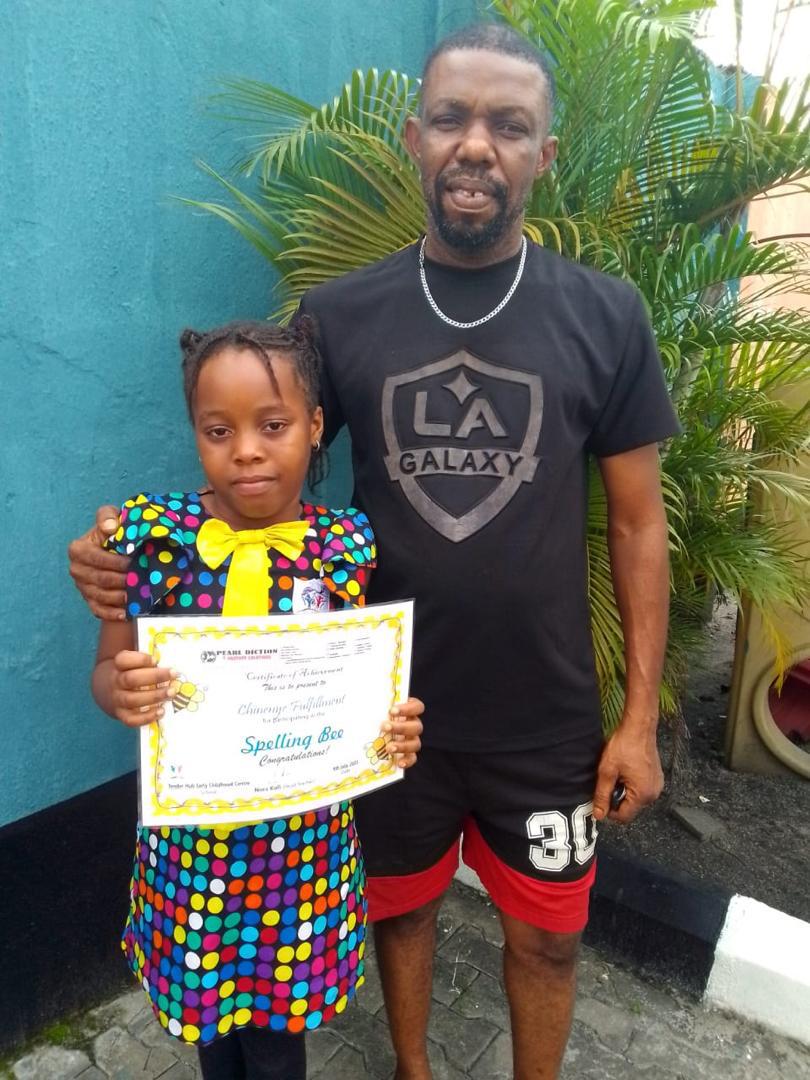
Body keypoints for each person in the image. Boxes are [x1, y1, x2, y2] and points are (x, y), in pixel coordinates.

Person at [70, 23, 681, 1080]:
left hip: (545, 717)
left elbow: (637, 524)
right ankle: (413, 1070)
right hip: (376, 716)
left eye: (509, 125)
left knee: (548, 939)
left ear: (544, 153)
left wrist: (636, 722)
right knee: (401, 912)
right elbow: (265, 477)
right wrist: (124, 550)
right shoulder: (340, 316)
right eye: (451, 118)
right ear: (414, 138)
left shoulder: (606, 316)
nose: (476, 144)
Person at [89, 319, 424, 1080]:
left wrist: (392, 728)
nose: (245, 450)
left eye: (273, 425)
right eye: (219, 430)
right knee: (213, 1035)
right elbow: (106, 670)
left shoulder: (346, 545)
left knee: (277, 1045)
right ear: (196, 433)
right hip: (194, 856)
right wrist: (123, 690)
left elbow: (360, 682)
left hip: (301, 859)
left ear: (314, 424)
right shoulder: (153, 540)